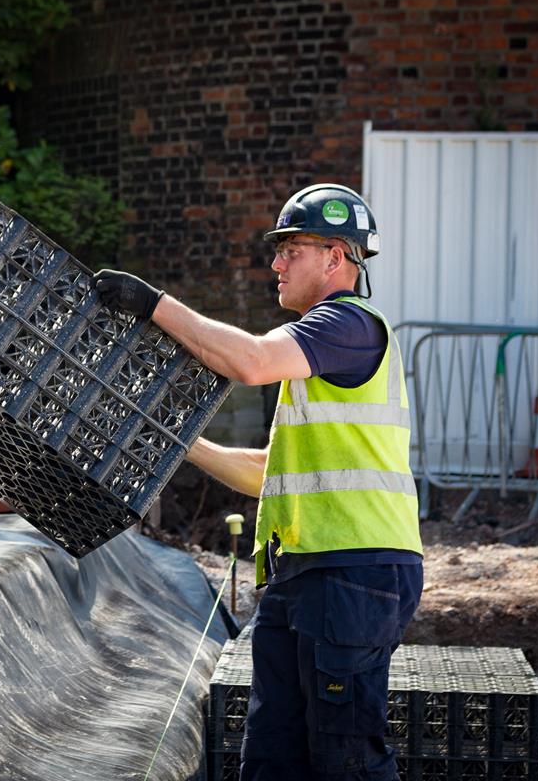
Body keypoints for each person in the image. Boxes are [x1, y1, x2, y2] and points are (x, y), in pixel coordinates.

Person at [94, 184, 423, 780]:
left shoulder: (347, 325)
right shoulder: (315, 357)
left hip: (353, 570)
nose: (275, 263)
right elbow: (263, 472)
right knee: (271, 755)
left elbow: (248, 361)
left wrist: (154, 306)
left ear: (335, 257)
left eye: (290, 249)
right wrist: (175, 442)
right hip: (306, 572)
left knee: (345, 759)